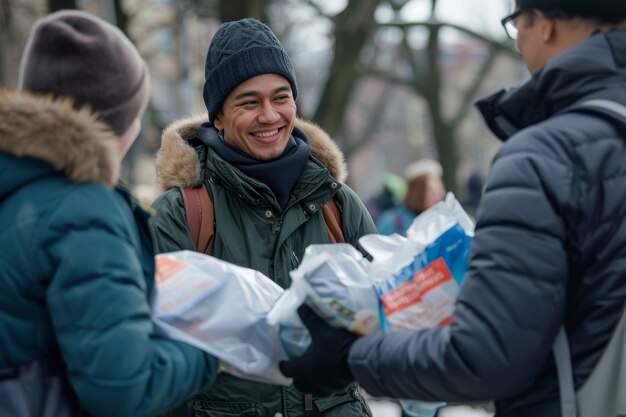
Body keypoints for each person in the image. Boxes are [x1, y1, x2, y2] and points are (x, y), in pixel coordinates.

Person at [279, 1, 626, 416]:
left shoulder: (544, 158)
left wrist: (351, 357)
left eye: (516, 26)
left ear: (545, 23)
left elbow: (488, 353)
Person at [150, 18, 377, 417]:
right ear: (217, 117)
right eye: (249, 102)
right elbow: (153, 353)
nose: (270, 116)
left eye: (281, 97)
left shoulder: (337, 204)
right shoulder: (182, 214)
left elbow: (384, 321)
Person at [0, 11, 218, 417]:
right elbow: (123, 390)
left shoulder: (16, 187)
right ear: (122, 121)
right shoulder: (83, 211)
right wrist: (209, 350)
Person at [375, 159, 445, 236]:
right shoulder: (392, 222)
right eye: (432, 192)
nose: (438, 197)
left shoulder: (441, 219)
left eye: (439, 191)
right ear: (418, 192)